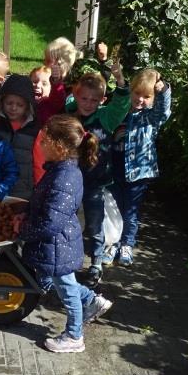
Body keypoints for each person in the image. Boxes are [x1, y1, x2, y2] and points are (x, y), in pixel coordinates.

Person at [15, 115, 113, 353]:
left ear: (58, 146)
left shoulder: (64, 176)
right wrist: (25, 213)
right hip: (57, 243)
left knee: (66, 290)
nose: (39, 144)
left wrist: (24, 231)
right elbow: (43, 202)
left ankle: (74, 336)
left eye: (43, 140)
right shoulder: (59, 170)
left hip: (58, 245)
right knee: (60, 283)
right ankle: (91, 300)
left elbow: (51, 221)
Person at [65, 68, 130, 287]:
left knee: (95, 223)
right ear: (76, 95)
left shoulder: (105, 117)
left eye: (94, 100)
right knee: (69, 221)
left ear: (102, 100)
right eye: (84, 98)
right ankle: (68, 260)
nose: (88, 103)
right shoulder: (70, 115)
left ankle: (96, 262)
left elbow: (120, 105)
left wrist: (120, 81)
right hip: (71, 180)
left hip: (94, 181)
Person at [110, 69, 171, 265]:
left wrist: (163, 91)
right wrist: (119, 79)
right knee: (115, 208)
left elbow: (164, 110)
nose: (140, 99)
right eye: (137, 93)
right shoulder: (119, 112)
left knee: (130, 211)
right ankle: (113, 242)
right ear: (131, 91)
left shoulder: (151, 117)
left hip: (138, 173)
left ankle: (127, 243)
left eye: (147, 96)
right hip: (115, 170)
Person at [0, 75, 42, 201]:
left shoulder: (35, 129)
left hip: (24, 189)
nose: (13, 108)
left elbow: (39, 162)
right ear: (2, 102)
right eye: (9, 103)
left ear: (27, 106)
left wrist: (40, 187)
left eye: (19, 105)